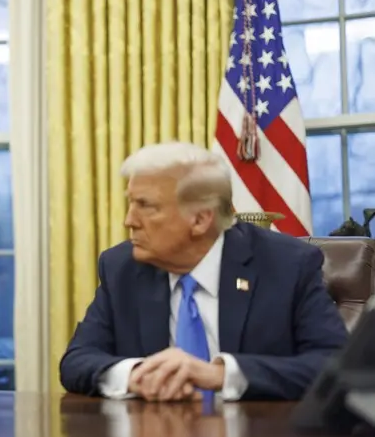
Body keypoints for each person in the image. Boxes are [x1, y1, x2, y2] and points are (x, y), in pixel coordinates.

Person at [59, 141, 348, 401]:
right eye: (131, 203)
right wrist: (137, 375)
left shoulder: (286, 264)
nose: (129, 220)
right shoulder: (121, 267)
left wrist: (220, 374)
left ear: (200, 220)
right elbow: (77, 360)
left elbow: (336, 367)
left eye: (145, 206)